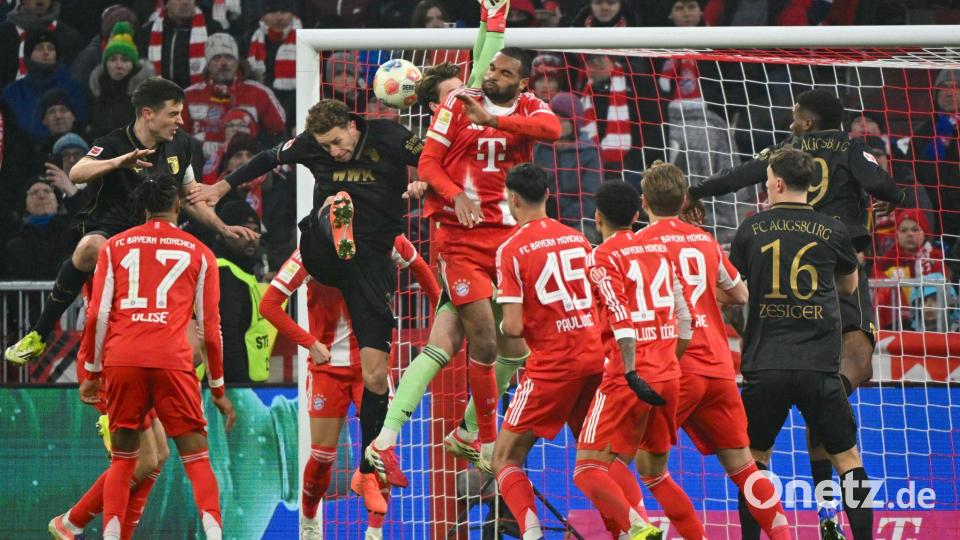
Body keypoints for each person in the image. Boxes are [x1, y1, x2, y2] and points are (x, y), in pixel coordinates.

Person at [682, 88, 904, 527]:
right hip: (836, 268)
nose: (790, 122)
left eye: (794, 116)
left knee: (758, 448)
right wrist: (878, 197)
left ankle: (808, 513)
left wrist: (694, 190)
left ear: (806, 121)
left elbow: (739, 175)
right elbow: (884, 186)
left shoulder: (783, 159)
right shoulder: (851, 147)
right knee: (844, 382)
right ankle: (829, 505)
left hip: (775, 300)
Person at [189, 97, 423, 503]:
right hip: (322, 250)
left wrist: (423, 179)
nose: (333, 152)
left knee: (376, 375)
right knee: (335, 204)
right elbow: (265, 159)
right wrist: (221, 186)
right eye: (325, 145)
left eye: (336, 142)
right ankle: (336, 219)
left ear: (353, 124)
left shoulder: (389, 135)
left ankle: (369, 469)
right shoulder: (311, 146)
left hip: (370, 262)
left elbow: (433, 154)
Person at [370, 47, 560, 484]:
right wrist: (455, 194)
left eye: (503, 72)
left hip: (509, 243)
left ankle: (408, 436)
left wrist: (494, 121)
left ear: (522, 82)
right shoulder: (458, 103)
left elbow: (552, 128)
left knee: (503, 346)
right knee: (486, 343)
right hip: (460, 241)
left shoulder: (527, 107)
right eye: (491, 67)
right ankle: (485, 441)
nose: (492, 75)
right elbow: (428, 162)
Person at [5, 77, 257, 366]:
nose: (180, 121)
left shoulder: (182, 146)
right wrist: (119, 162)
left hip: (160, 238)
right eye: (173, 114)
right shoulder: (113, 143)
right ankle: (39, 334)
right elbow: (77, 173)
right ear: (148, 113)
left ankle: (162, 388)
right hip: (112, 233)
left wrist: (223, 228)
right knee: (90, 246)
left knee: (196, 349)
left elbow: (190, 198)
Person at [637, 163, 791, 539]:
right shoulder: (703, 240)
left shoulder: (639, 245)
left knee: (639, 465)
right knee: (744, 467)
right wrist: (702, 293)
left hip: (675, 368)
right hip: (720, 370)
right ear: (683, 200)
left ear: (643, 203)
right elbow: (741, 294)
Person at [79, 173, 235, 540]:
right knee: (196, 459)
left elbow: (97, 315)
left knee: (123, 459)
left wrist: (91, 370)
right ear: (179, 205)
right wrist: (217, 388)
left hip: (123, 359)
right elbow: (210, 330)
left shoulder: (115, 247)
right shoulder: (201, 253)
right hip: (173, 360)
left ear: (144, 207)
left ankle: (110, 535)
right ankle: (215, 535)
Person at [729, 148, 873, 540]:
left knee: (754, 460)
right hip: (819, 365)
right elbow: (848, 286)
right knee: (848, 458)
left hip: (765, 363)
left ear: (776, 183)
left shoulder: (751, 228)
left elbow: (732, 291)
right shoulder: (833, 229)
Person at [260, 234, 439, 539]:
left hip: (373, 366)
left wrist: (442, 314)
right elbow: (269, 305)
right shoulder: (310, 252)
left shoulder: (385, 237)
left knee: (381, 453)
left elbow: (421, 269)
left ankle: (374, 532)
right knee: (322, 456)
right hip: (327, 368)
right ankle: (309, 519)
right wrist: (310, 343)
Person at [576, 178, 704, 540]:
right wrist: (667, 360)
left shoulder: (601, 257)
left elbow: (621, 318)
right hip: (667, 375)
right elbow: (686, 320)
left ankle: (637, 529)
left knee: (587, 469)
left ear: (597, 216)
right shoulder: (658, 248)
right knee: (654, 474)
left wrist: (632, 370)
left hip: (626, 376)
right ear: (636, 214)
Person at [491, 163, 604, 540]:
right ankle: (629, 525)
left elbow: (514, 327)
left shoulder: (510, 249)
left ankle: (531, 531)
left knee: (504, 458)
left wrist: (500, 324)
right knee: (596, 461)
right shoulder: (578, 238)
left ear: (513, 199)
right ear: (548, 196)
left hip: (553, 368)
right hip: (594, 359)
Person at [182, 33, 286, 158]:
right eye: (216, 58)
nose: (223, 63)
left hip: (248, 167)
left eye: (229, 57)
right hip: (200, 167)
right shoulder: (189, 96)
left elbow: (278, 134)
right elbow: (177, 139)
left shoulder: (259, 93)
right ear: (208, 65)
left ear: (237, 62)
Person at [213, 200, 272, 384]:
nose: (251, 237)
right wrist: (239, 385)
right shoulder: (225, 274)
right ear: (223, 233)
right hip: (234, 386)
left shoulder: (242, 271)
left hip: (245, 382)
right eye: (243, 230)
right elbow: (227, 336)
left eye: (255, 230)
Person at [88, 21, 156, 140]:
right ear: (105, 64)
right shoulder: (97, 92)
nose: (118, 65)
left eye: (125, 60)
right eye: (113, 60)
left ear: (133, 64)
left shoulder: (147, 97)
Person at [140, 0, 224, 89]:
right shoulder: (148, 32)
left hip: (199, 96)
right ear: (167, 3)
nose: (185, 2)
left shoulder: (212, 29)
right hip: (159, 96)